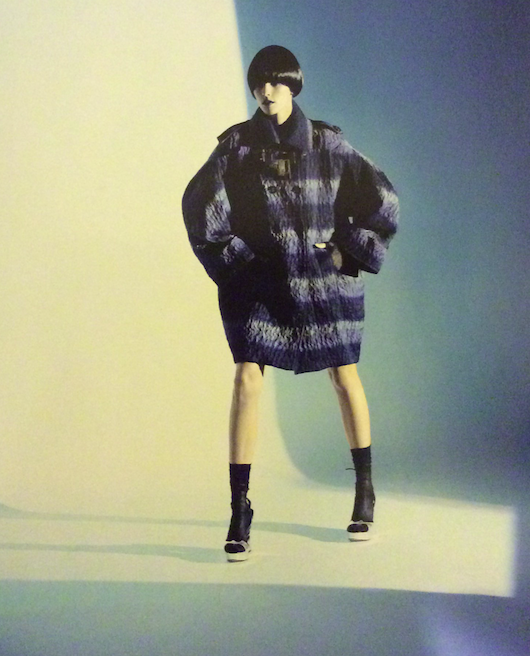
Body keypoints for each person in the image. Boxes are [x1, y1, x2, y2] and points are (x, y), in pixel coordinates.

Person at [182, 45, 399, 562]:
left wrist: (347, 249)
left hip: (324, 284)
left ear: (294, 85)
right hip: (260, 287)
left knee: (344, 376)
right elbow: (199, 209)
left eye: (277, 82)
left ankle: (364, 490)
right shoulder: (236, 147)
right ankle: (239, 508)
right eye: (259, 82)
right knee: (246, 380)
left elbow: (382, 200)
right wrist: (239, 262)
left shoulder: (328, 144)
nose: (266, 92)